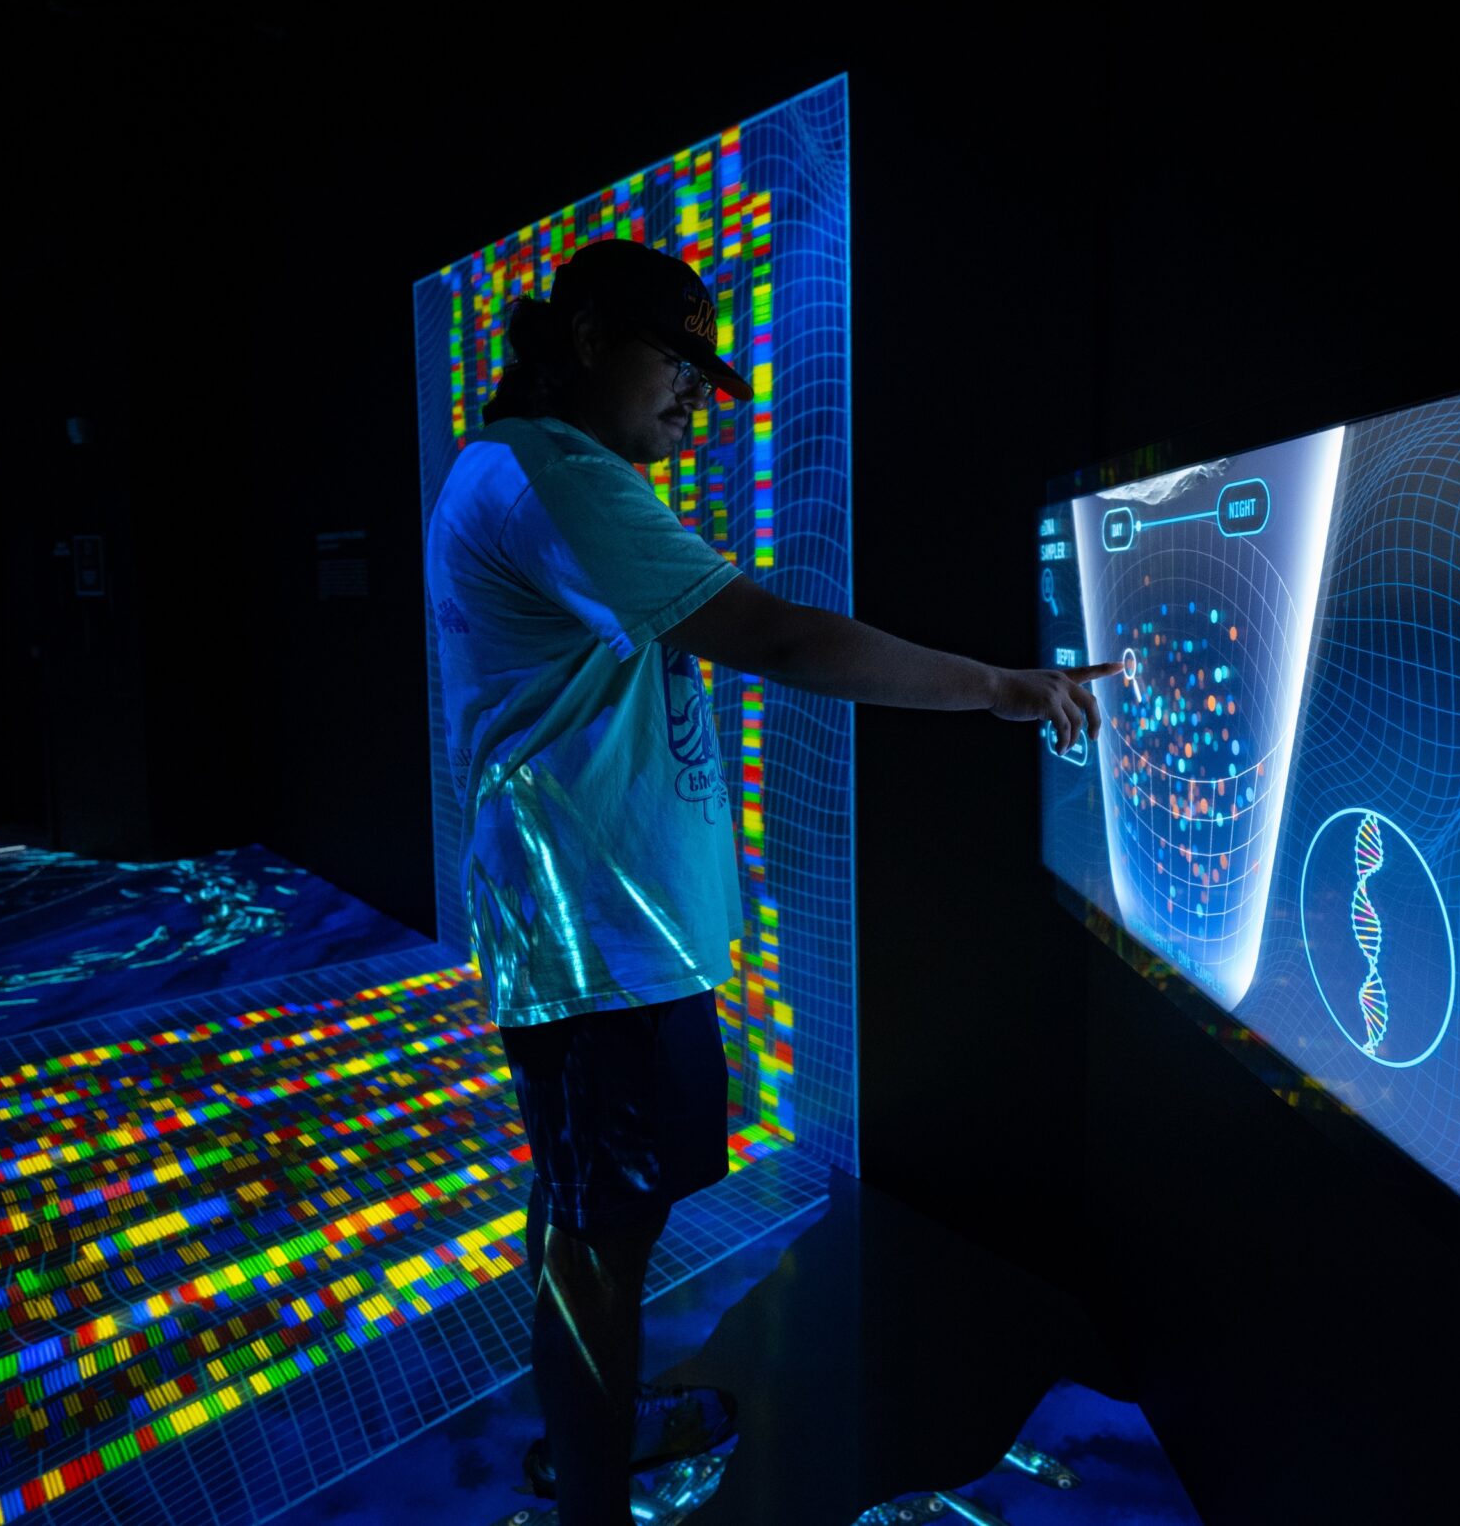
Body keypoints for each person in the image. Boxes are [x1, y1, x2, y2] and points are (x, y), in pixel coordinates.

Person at [422, 238, 1115, 1524]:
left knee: (589, 1210)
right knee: (599, 1232)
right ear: (585, 341)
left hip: (595, 940)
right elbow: (775, 634)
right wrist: (1003, 688)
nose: (700, 394)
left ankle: (596, 1430)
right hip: (592, 950)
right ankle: (588, 1489)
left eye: (709, 369)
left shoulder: (532, 468)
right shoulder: (548, 475)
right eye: (675, 358)